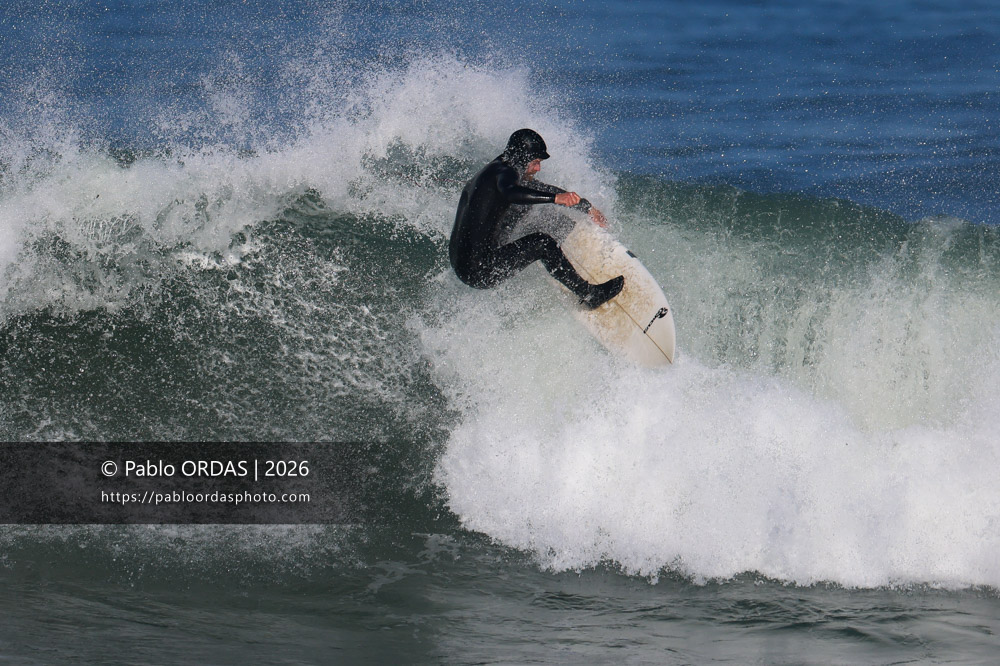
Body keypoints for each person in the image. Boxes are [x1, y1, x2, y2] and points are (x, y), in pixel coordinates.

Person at [449, 129, 624, 309]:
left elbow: (537, 188)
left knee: (528, 205)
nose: (538, 168)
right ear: (522, 158)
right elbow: (511, 193)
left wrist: (586, 207)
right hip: (480, 271)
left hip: (460, 261)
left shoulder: (496, 168)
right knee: (543, 243)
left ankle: (551, 250)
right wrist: (555, 199)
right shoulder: (507, 175)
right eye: (535, 162)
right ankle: (590, 294)